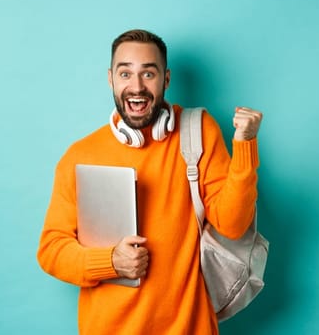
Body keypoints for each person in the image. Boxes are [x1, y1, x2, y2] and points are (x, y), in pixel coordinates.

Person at [36, 29, 263, 334]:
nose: (136, 87)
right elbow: (51, 250)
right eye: (125, 73)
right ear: (110, 79)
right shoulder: (79, 155)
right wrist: (110, 262)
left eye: (148, 73)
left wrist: (245, 144)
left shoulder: (198, 132)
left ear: (166, 80)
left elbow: (234, 225)